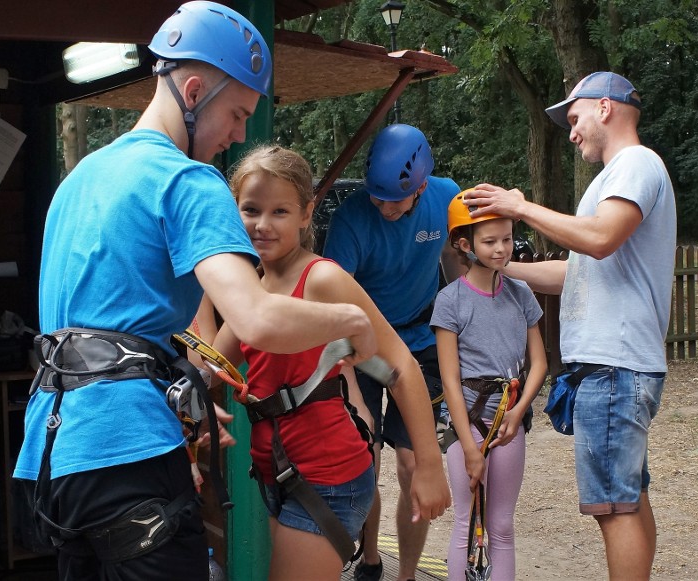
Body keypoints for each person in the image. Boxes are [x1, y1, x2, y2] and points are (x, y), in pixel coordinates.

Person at [11, 4, 380, 579]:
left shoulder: (79, 178)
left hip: (54, 462)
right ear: (192, 90)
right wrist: (351, 321)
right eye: (236, 114)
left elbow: (104, 326)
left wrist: (186, 387)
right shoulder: (185, 180)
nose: (236, 135)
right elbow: (255, 318)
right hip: (129, 460)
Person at [465, 71, 676, 580]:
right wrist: (499, 267)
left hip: (613, 365)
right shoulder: (614, 180)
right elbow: (580, 270)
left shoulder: (635, 163)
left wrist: (520, 207)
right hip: (618, 365)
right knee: (629, 497)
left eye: (576, 118)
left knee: (614, 509)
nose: (573, 131)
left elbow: (600, 239)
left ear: (606, 108)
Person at [209, 145, 450, 581]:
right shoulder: (256, 285)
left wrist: (429, 467)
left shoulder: (320, 278)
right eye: (250, 209)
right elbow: (208, 360)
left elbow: (399, 366)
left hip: (327, 475)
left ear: (306, 214)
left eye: (279, 211)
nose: (262, 225)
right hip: (276, 473)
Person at [323, 123, 463, 581]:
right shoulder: (351, 219)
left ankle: (406, 575)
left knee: (411, 463)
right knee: (368, 457)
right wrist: (355, 385)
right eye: (376, 195)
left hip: (420, 342)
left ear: (421, 186)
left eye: (393, 199)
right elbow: (336, 311)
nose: (382, 206)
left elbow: (455, 258)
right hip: (366, 350)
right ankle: (370, 558)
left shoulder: (446, 197)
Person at [431, 193, 547, 580]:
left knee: (501, 525)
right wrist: (467, 445)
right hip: (464, 419)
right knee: (465, 520)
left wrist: (518, 411)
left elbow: (539, 363)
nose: (501, 249)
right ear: (465, 245)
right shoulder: (451, 301)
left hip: (508, 420)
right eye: (490, 241)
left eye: (507, 239)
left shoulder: (521, 294)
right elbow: (449, 378)